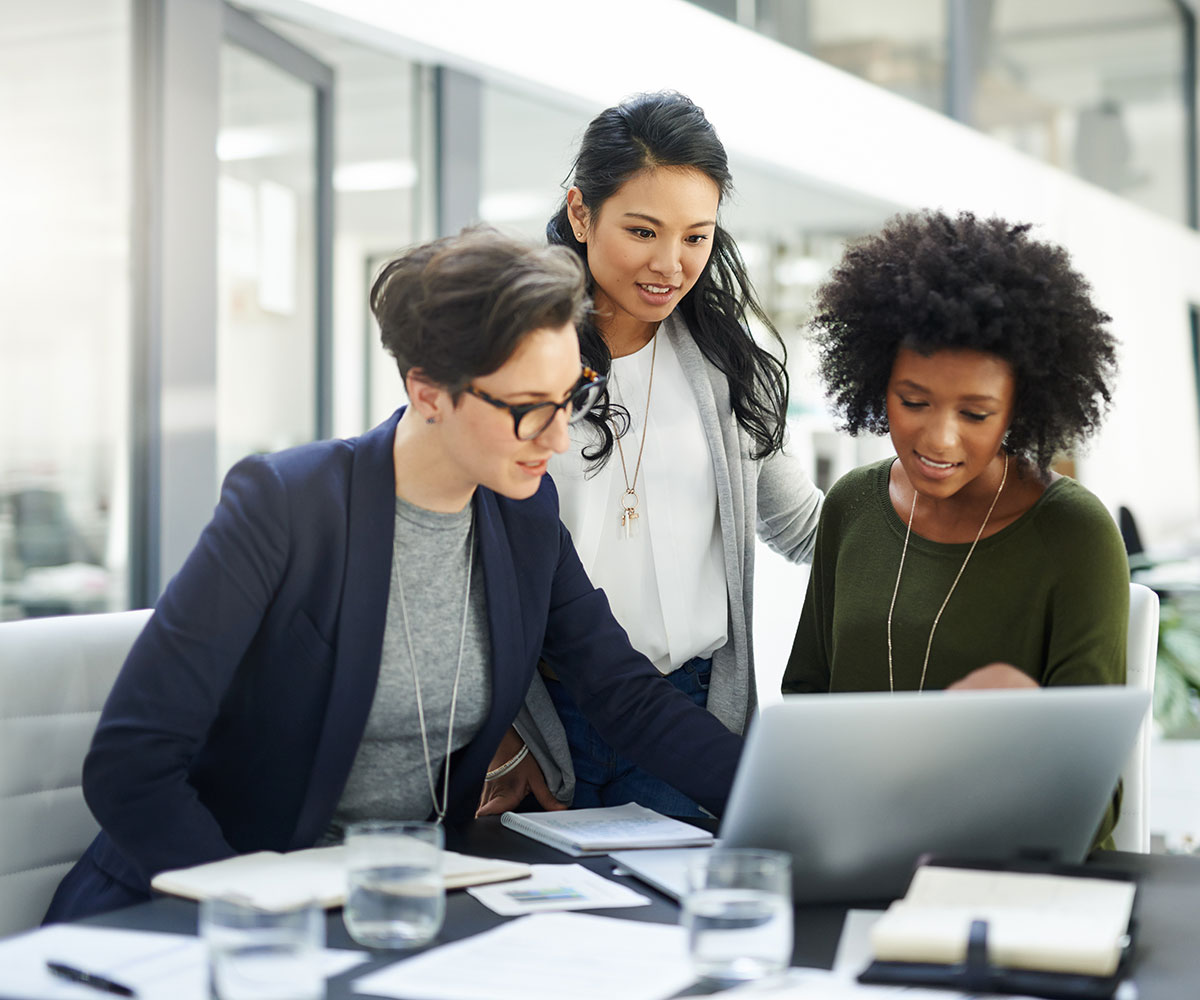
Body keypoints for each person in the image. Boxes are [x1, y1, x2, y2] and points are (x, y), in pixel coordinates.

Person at [44, 227, 743, 923]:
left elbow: (624, 695)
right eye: (530, 410)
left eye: (571, 401)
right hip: (208, 911)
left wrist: (775, 793)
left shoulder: (521, 519)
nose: (559, 439)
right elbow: (131, 766)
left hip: (394, 904)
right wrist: (261, 916)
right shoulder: (287, 505)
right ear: (429, 391)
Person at [477, 92, 822, 819]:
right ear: (580, 213)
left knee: (675, 928)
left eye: (696, 237)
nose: (670, 264)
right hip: (545, 719)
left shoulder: (729, 366)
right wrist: (505, 734)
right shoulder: (512, 357)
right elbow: (461, 555)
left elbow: (804, 527)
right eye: (642, 230)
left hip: (690, 714)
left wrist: (945, 500)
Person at [781, 209, 1127, 846]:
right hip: (857, 852)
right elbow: (805, 701)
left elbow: (1094, 802)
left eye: (975, 412)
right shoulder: (852, 506)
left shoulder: (1075, 537)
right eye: (913, 402)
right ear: (876, 381)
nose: (938, 438)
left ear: (1020, 409)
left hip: (1008, 874)